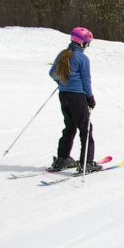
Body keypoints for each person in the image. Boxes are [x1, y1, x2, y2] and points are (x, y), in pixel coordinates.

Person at [47, 27, 102, 174]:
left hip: (64, 96)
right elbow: (86, 81)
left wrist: (62, 83)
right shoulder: (82, 58)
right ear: (82, 43)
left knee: (69, 127)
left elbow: (52, 73)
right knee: (86, 129)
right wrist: (90, 98)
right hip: (77, 97)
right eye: (87, 42)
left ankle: (63, 158)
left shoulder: (63, 54)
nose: (87, 45)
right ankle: (87, 162)